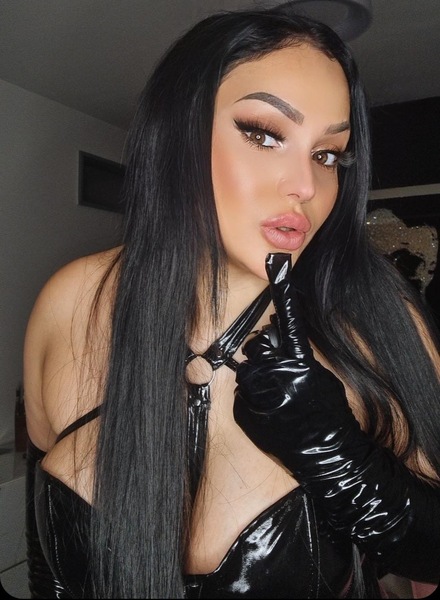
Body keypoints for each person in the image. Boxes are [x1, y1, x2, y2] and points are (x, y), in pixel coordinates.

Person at [24, 4, 440, 599]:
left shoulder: (375, 319)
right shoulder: (71, 301)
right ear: (179, 134)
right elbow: (44, 538)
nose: (306, 186)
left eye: (327, 154)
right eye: (264, 134)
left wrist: (337, 455)